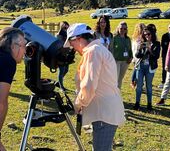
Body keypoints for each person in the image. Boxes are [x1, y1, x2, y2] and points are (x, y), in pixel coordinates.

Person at [64, 23, 125, 151]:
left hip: (104, 113)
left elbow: (89, 85)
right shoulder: (97, 49)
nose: (73, 49)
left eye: (72, 44)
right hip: (104, 111)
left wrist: (78, 104)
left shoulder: (93, 52)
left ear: (79, 39)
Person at [133, 27, 160, 111]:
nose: (147, 36)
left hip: (150, 68)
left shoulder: (156, 43)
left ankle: (149, 104)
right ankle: (137, 103)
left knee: (149, 86)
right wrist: (140, 48)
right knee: (139, 86)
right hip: (141, 67)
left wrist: (150, 49)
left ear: (152, 34)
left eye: (148, 34)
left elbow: (156, 56)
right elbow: (137, 55)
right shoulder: (142, 42)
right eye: (145, 34)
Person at [110, 21, 133, 89]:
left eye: (124, 29)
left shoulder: (128, 39)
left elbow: (130, 49)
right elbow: (111, 49)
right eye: (121, 28)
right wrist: (112, 60)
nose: (123, 30)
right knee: (115, 79)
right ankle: (113, 94)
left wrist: (131, 57)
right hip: (116, 61)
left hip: (125, 62)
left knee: (120, 79)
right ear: (118, 28)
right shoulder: (114, 38)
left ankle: (117, 94)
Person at [130, 23, 146, 88]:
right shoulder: (136, 39)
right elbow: (134, 49)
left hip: (143, 57)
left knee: (139, 70)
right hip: (136, 57)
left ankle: (139, 83)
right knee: (136, 70)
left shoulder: (144, 37)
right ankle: (134, 82)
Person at [56, 21, 70, 89]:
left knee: (66, 70)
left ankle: (58, 82)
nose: (66, 28)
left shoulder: (67, 34)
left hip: (66, 54)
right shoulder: (59, 34)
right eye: (65, 26)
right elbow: (59, 44)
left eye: (67, 26)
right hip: (61, 55)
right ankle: (61, 86)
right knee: (61, 70)